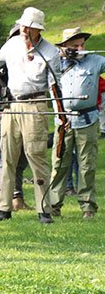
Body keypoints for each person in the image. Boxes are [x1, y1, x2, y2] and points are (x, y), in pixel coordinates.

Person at [0, 7, 60, 223]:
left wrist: (59, 116)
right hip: (11, 105)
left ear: (38, 29)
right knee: (8, 155)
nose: (23, 30)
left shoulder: (50, 52)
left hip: (36, 104)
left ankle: (43, 209)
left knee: (36, 156)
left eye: (28, 27)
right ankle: (4, 207)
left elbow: (55, 86)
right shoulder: (11, 44)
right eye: (22, 25)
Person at [48, 27, 105, 218]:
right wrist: (61, 115)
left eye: (82, 44)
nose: (80, 48)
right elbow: (50, 88)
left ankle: (88, 206)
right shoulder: (55, 63)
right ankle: (54, 204)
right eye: (75, 46)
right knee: (59, 163)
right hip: (63, 121)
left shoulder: (96, 61)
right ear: (65, 46)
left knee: (87, 164)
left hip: (87, 120)